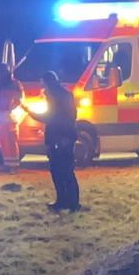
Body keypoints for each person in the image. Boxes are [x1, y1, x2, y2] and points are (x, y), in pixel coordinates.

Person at [41, 70, 81, 211]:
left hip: (63, 138)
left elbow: (55, 118)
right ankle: (63, 201)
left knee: (66, 171)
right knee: (57, 171)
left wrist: (31, 113)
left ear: (49, 83)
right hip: (59, 138)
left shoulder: (60, 96)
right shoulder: (60, 95)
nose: (43, 88)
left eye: (44, 84)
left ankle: (73, 203)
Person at [0, 66, 23, 170]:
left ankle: (14, 165)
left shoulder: (15, 84)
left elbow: (20, 99)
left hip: (10, 115)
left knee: (11, 140)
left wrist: (11, 108)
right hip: (1, 115)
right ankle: (7, 164)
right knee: (3, 141)